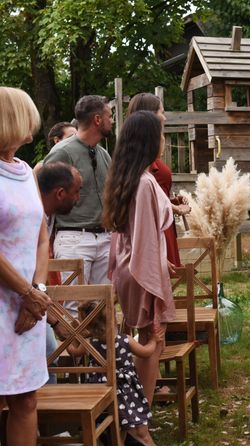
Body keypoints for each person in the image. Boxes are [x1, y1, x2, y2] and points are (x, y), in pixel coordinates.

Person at [103, 111, 175, 406]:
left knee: (149, 341)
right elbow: (144, 238)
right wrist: (154, 284)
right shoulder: (144, 183)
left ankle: (137, 412)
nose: (163, 140)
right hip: (142, 272)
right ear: (148, 141)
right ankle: (140, 419)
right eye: (160, 135)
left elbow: (123, 235)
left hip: (130, 266)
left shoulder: (127, 177)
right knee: (152, 341)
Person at [0, 86, 52, 446]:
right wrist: (27, 292)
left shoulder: (24, 172)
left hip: (27, 310)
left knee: (26, 400)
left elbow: (41, 237)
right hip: (8, 304)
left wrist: (39, 294)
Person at [68, 301, 169, 446]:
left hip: (99, 390)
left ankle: (117, 443)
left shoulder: (90, 343)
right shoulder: (125, 340)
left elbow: (73, 352)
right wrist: (154, 340)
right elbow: (146, 352)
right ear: (114, 319)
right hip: (126, 388)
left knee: (114, 414)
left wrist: (69, 338)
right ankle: (141, 438)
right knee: (136, 410)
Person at [43, 95, 113, 290]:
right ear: (97, 120)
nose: (112, 120)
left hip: (105, 237)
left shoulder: (103, 154)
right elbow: (45, 200)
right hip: (74, 238)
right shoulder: (62, 153)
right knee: (74, 306)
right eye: (110, 115)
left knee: (104, 306)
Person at [127, 92, 190, 267]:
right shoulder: (140, 157)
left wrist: (170, 201)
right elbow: (141, 198)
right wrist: (174, 208)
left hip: (163, 224)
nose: (164, 116)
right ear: (149, 115)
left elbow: (152, 195)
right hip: (152, 229)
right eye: (161, 111)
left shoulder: (147, 152)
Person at [36, 162, 83, 384]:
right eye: (76, 192)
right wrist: (55, 322)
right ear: (60, 193)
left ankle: (45, 415)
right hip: (20, 299)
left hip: (34, 298)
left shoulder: (49, 215)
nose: (79, 198)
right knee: (47, 353)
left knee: (48, 353)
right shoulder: (33, 216)